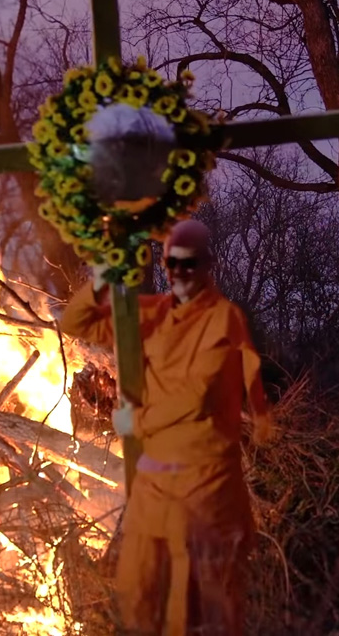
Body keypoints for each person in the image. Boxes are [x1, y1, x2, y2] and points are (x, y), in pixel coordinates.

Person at [60, 219, 276, 635]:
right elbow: (75, 321)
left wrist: (135, 420)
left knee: (210, 605)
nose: (180, 271)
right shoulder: (153, 314)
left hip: (206, 486)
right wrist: (103, 275)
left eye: (190, 262)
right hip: (157, 488)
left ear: (207, 265)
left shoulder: (223, 320)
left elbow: (196, 396)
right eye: (172, 262)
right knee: (149, 602)